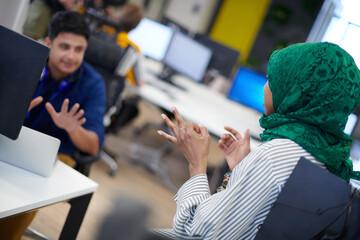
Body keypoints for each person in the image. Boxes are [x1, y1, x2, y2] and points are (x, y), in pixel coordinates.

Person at [156, 42, 360, 239]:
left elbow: (193, 232)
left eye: (272, 79)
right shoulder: (333, 159)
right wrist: (242, 170)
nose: (265, 87)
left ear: (297, 91)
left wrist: (196, 163)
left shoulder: (276, 155)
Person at [25, 10, 106, 163]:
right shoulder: (26, 62)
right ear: (48, 43)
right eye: (64, 47)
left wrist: (74, 129)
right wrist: (11, 114)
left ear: (85, 48)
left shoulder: (93, 84)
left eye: (78, 49)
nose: (71, 56)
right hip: (12, 141)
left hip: (55, 157)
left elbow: (93, 147)